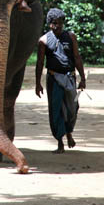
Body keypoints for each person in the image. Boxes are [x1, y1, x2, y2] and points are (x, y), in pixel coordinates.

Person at [35, 8, 87, 154]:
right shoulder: (43, 41)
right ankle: (60, 142)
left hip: (70, 78)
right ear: (49, 24)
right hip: (53, 79)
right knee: (56, 110)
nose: (57, 26)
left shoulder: (71, 37)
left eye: (60, 23)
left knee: (72, 108)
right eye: (54, 23)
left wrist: (82, 78)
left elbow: (77, 58)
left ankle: (69, 133)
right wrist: (37, 83)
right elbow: (40, 63)